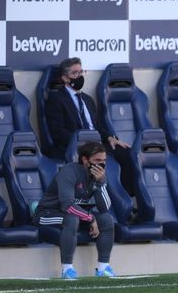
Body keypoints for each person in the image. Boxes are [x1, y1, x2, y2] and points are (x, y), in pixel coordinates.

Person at [45, 57, 137, 200]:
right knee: (104, 162)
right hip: (75, 146)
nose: (79, 76)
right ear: (65, 78)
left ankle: (126, 201)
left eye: (81, 72)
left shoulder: (87, 99)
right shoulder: (56, 99)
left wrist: (110, 138)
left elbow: (97, 126)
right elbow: (58, 132)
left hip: (97, 143)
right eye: (75, 73)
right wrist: (82, 142)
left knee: (126, 153)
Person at [34, 142, 115, 279]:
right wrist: (90, 218)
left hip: (76, 215)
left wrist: (100, 183)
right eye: (97, 160)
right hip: (47, 214)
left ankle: (103, 268)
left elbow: (105, 207)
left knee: (107, 219)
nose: (101, 165)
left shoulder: (99, 176)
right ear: (85, 160)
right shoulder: (69, 172)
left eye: (104, 161)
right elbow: (68, 206)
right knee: (71, 219)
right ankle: (67, 270)